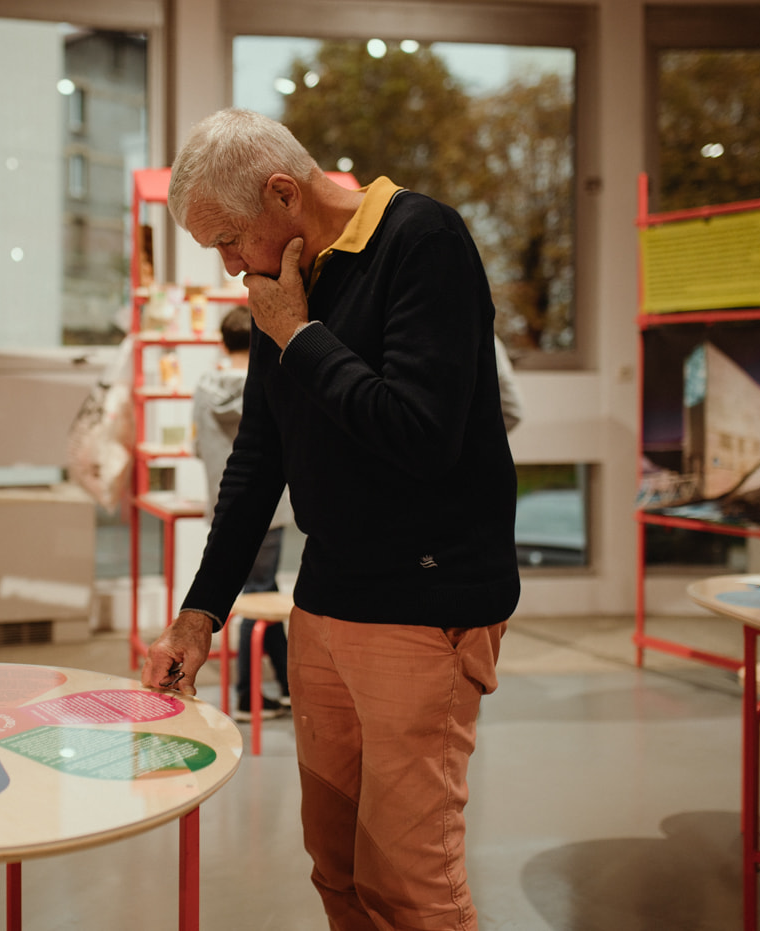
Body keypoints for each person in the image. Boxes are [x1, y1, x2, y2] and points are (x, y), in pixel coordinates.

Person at [140, 108, 519, 931]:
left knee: (411, 884)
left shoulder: (422, 241)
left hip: (425, 606)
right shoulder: (284, 282)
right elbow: (257, 461)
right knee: (338, 868)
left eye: (230, 239)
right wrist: (199, 614)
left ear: (284, 192)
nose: (232, 264)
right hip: (328, 602)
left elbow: (420, 434)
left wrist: (297, 333)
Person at [192, 304, 292, 721]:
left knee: (257, 595)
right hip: (270, 508)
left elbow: (197, 445)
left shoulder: (203, 387)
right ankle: (249, 694)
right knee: (259, 598)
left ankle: (285, 686)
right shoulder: (270, 380)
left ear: (221, 340)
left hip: (222, 504)